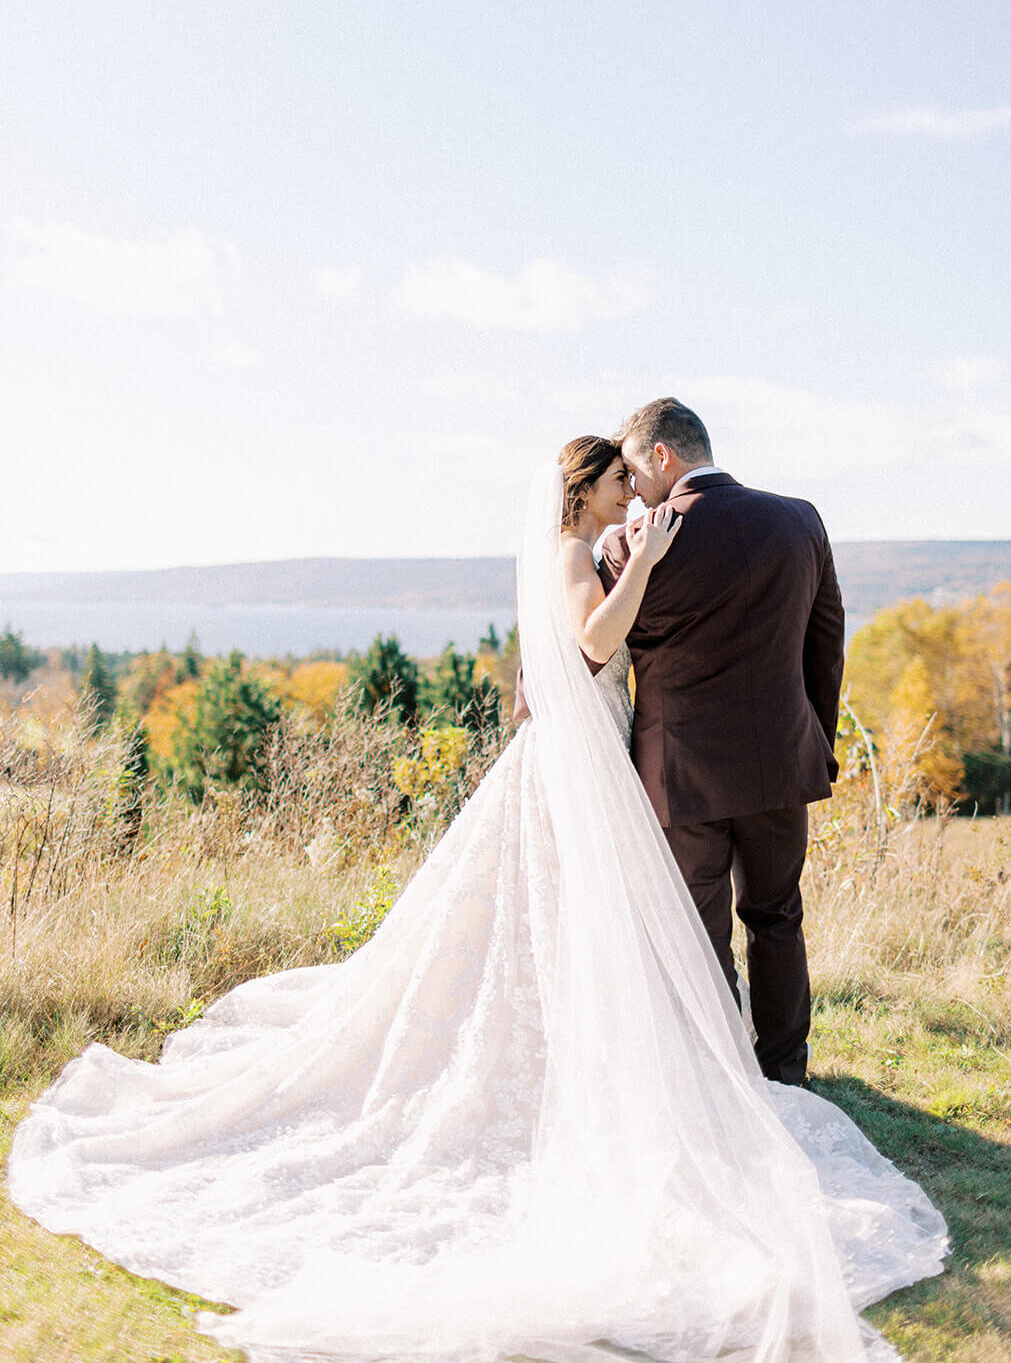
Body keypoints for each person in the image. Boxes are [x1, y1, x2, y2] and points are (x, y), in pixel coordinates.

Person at [8, 438, 947, 1363]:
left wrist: (654, 569)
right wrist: (656, 566)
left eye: (634, 470)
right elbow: (601, 638)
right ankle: (726, 1072)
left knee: (638, 924)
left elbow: (625, 643)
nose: (632, 487)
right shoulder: (598, 548)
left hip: (633, 759)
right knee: (662, 922)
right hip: (608, 763)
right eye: (618, 478)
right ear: (586, 489)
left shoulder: (604, 542)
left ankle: (699, 1068)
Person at [601, 397, 844, 1087]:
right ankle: (784, 1071)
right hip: (779, 763)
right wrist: (813, 741)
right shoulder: (798, 520)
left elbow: (603, 650)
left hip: (680, 775)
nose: (629, 493)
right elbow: (825, 643)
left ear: (662, 456)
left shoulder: (631, 544)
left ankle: (718, 1075)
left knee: (698, 930)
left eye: (630, 471)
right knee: (776, 917)